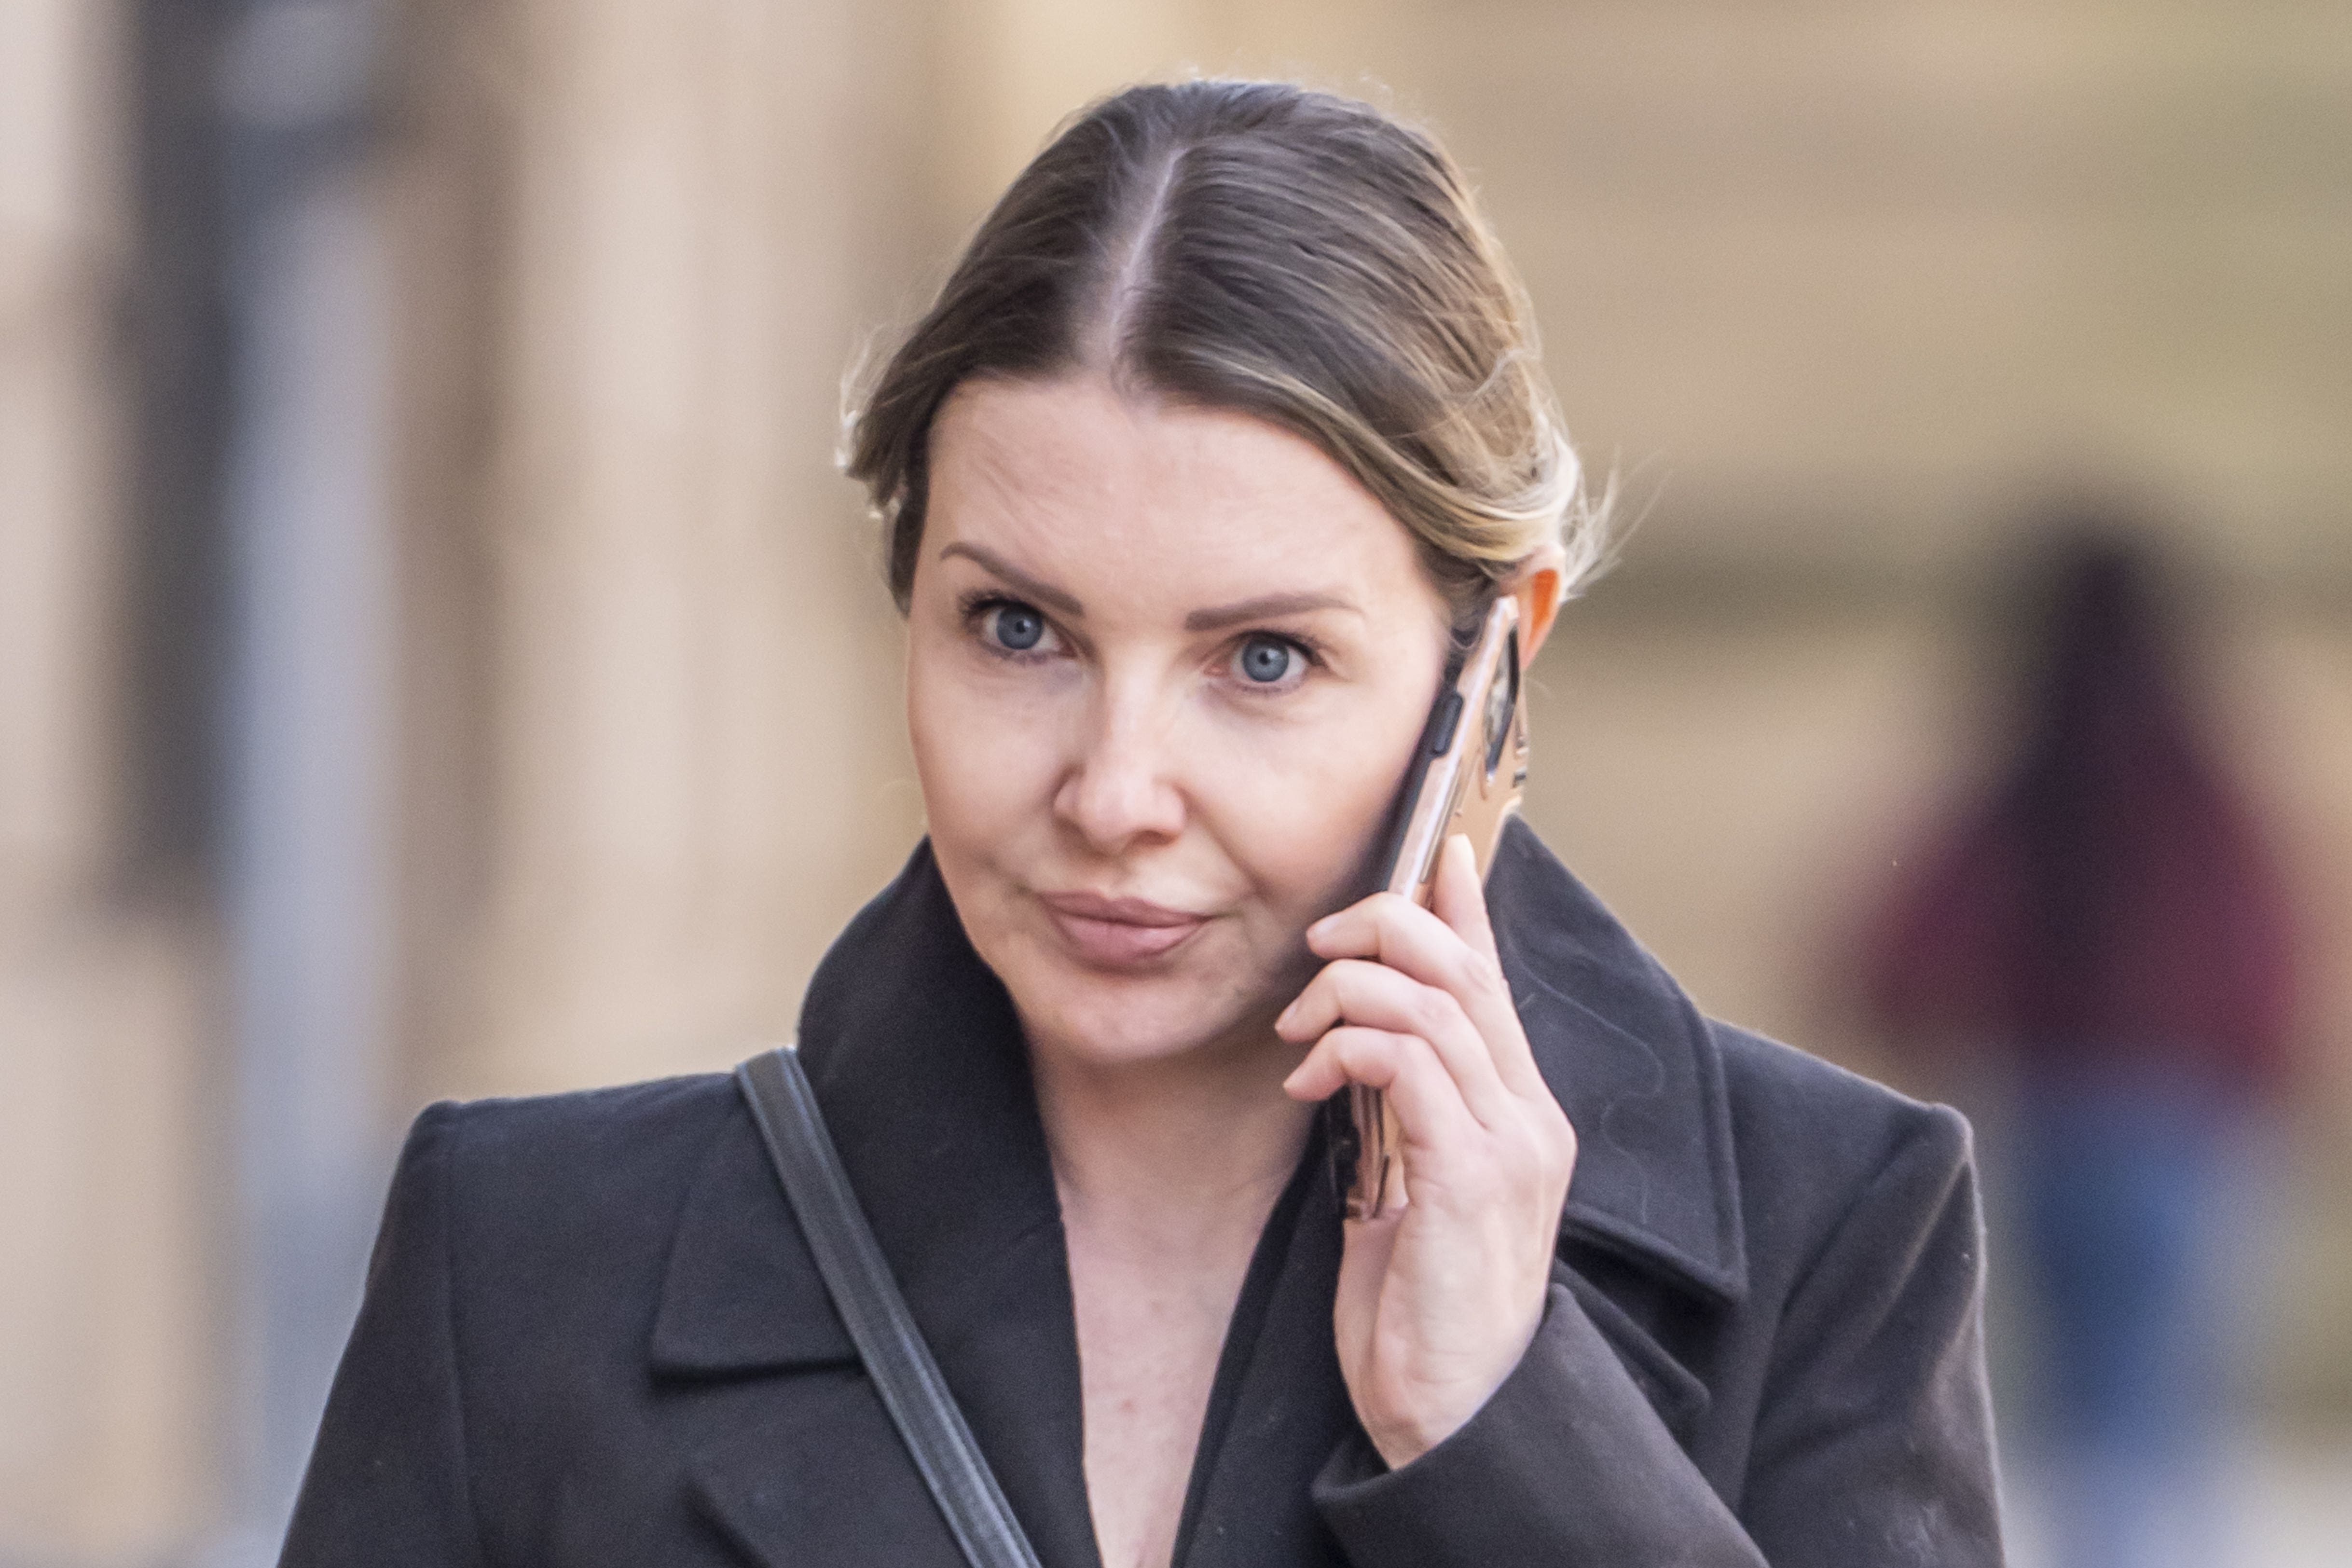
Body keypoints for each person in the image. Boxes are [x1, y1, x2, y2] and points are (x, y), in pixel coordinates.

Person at [283, 80, 2003, 1568]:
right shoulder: (524, 1264)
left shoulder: (1831, 1239)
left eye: (1261, 659)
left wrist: (1506, 1429)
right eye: (1016, 629)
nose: (1112, 794)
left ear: (1491, 667)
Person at [1862, 530, 2296, 1568]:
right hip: (2186, 1130)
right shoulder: (2200, 786)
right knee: (2166, 1411)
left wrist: (1941, 1056)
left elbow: (1902, 950)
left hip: (2049, 1120)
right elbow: (2267, 958)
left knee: (2075, 1409)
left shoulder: (2024, 784)